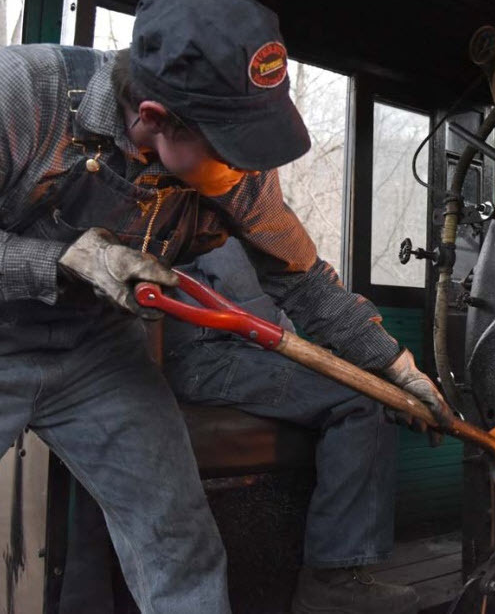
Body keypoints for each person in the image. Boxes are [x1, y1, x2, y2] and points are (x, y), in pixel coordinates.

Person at [0, 0, 450, 614]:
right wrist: (60, 259)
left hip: (97, 353)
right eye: (233, 150)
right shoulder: (21, 94)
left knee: (177, 542)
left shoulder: (236, 171)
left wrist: (396, 367)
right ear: (154, 118)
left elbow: (303, 279)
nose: (250, 172)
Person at [163, 237, 436, 613]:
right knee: (362, 400)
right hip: (205, 355)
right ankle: (330, 582)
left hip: (238, 349)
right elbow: (248, 298)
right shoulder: (215, 204)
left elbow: (302, 286)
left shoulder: (254, 210)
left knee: (364, 390)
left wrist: (392, 367)